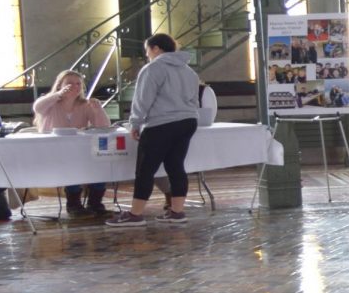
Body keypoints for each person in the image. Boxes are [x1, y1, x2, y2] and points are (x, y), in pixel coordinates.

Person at [106, 33, 199, 226]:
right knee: (176, 166)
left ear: (156, 48)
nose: (147, 55)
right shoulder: (188, 71)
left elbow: (143, 99)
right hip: (188, 121)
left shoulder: (153, 68)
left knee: (145, 170)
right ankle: (177, 211)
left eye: (148, 50)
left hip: (161, 124)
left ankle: (136, 214)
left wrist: (135, 123)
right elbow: (194, 100)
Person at [33, 70, 112, 216]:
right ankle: (74, 204)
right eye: (69, 84)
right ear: (59, 85)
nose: (75, 87)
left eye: (78, 84)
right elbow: (37, 107)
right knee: (72, 165)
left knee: (101, 162)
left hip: (80, 150)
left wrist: (98, 110)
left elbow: (104, 127)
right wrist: (59, 95)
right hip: (54, 151)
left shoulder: (85, 105)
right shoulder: (49, 102)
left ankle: (95, 203)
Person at [153, 82, 218, 210]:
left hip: (193, 137)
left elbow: (209, 116)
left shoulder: (203, 91)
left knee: (173, 163)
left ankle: (175, 199)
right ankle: (170, 194)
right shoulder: (159, 91)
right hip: (166, 134)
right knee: (153, 161)